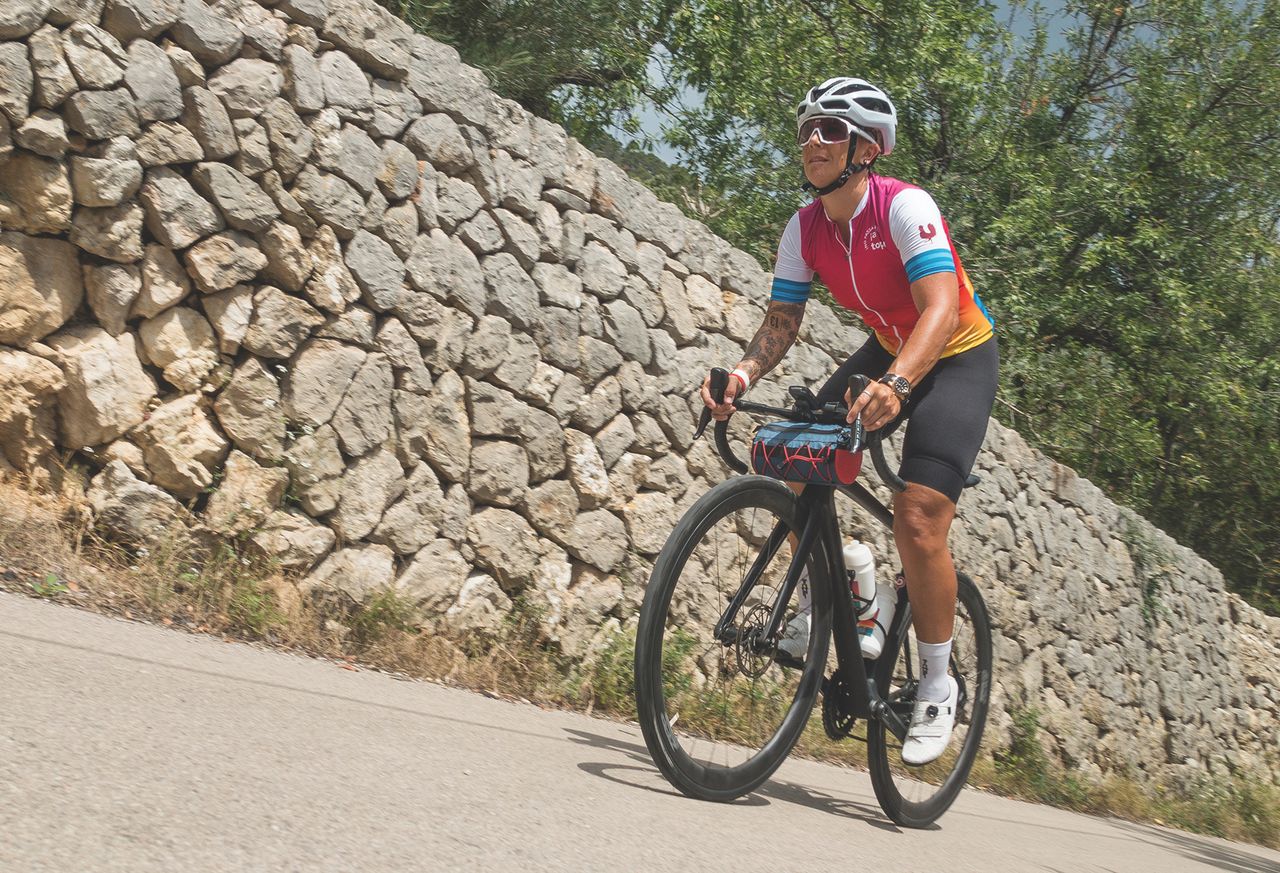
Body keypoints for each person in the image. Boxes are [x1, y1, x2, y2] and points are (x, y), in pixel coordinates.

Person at [699, 77, 998, 765]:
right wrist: (739, 378)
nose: (812, 141)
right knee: (794, 454)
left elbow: (941, 309)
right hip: (890, 348)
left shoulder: (905, 207)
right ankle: (851, 581)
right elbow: (782, 320)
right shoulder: (804, 227)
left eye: (829, 130)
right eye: (806, 129)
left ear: (867, 146)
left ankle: (935, 679)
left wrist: (897, 383)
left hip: (954, 355)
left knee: (918, 518)